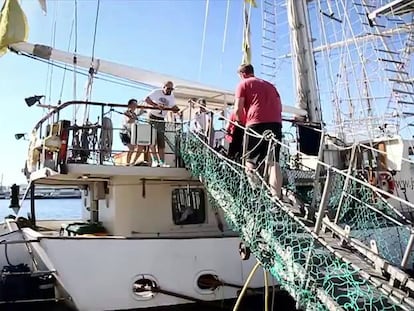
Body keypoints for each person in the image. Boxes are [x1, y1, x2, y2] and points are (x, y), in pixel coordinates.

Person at [233, 63, 283, 198]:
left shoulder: (243, 84)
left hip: (255, 124)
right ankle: (276, 196)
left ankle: (256, 192)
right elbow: (280, 106)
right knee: (273, 162)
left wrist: (240, 124)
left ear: (242, 74)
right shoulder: (271, 86)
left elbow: (238, 109)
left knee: (249, 160)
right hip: (276, 125)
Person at [145, 81, 180, 167]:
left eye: (171, 89)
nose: (169, 91)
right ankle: (155, 160)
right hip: (152, 116)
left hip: (161, 119)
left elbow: (173, 107)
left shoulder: (171, 96)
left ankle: (162, 161)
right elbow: (147, 99)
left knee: (161, 141)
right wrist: (156, 105)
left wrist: (176, 109)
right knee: (152, 139)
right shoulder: (157, 92)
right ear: (163, 87)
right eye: (168, 89)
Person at [120, 99, 146, 166]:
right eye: (134, 104)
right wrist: (139, 114)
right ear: (130, 105)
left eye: (136, 105)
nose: (135, 106)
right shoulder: (126, 112)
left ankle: (133, 162)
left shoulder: (134, 113)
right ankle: (128, 163)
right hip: (125, 132)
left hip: (132, 132)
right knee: (131, 148)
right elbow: (129, 121)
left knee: (141, 146)